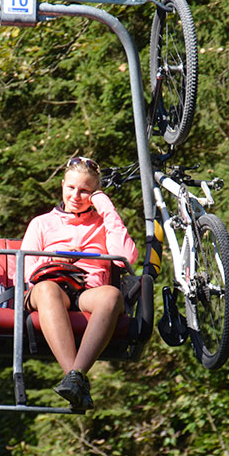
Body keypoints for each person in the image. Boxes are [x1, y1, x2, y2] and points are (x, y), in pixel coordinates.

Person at [21, 156, 138, 410]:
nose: (75, 195)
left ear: (94, 194)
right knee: (48, 290)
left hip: (87, 292)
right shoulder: (41, 224)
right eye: (71, 187)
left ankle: (74, 379)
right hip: (49, 287)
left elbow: (127, 258)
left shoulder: (102, 224)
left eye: (85, 191)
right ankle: (75, 377)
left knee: (110, 296)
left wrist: (106, 208)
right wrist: (56, 258)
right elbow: (26, 272)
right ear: (62, 185)